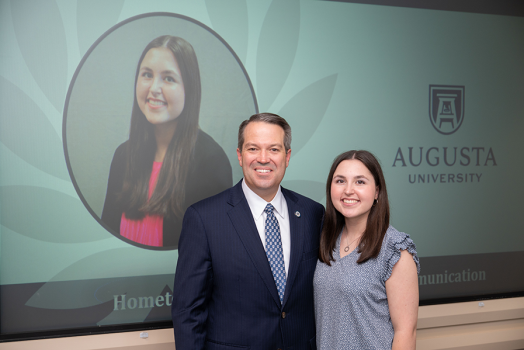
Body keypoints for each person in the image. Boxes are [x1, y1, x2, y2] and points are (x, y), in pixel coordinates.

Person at [172, 113, 325, 349]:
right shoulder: (203, 218)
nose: (263, 159)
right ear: (240, 155)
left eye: (274, 149)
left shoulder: (312, 213)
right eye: (253, 148)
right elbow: (188, 311)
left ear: (287, 156)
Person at [101, 35, 232, 248]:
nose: (154, 88)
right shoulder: (123, 156)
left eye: (168, 78)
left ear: (189, 89)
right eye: (147, 75)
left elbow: (216, 254)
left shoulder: (211, 162)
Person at [314, 150, 420, 350]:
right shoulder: (325, 239)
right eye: (340, 181)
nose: (348, 190)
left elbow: (406, 332)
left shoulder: (395, 250)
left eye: (360, 182)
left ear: (377, 192)